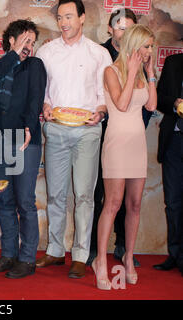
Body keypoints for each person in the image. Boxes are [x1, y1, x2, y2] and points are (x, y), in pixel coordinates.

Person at [35, 0, 112, 279]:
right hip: (55, 129)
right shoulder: (46, 52)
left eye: (69, 16)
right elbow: (40, 89)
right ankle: (55, 250)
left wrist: (101, 110)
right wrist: (44, 105)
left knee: (84, 195)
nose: (63, 22)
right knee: (55, 194)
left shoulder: (99, 53)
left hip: (88, 132)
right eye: (59, 18)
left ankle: (80, 255)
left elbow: (105, 93)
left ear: (82, 18)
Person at [92, 24, 157, 290]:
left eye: (152, 47)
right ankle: (101, 262)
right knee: (113, 203)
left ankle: (128, 258)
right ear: (133, 46)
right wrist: (131, 73)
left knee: (135, 205)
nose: (149, 51)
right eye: (146, 46)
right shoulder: (110, 71)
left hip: (137, 144)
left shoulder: (143, 72)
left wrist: (150, 74)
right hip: (117, 143)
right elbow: (120, 104)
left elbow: (151, 106)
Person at [0, 19, 46, 279]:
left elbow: (35, 99)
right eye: (25, 40)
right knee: (3, 199)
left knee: (25, 201)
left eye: (32, 42)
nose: (29, 46)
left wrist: (30, 127)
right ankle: (8, 255)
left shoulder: (35, 66)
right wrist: (13, 55)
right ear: (11, 40)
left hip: (24, 141)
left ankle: (27, 258)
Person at [88, 8, 145, 268]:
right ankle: (93, 251)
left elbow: (148, 104)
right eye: (120, 27)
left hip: (133, 136)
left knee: (130, 201)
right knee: (104, 196)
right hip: (104, 132)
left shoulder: (140, 58)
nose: (124, 32)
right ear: (110, 28)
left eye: (129, 28)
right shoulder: (100, 55)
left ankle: (124, 248)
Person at [153, 52, 182, 276]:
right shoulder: (173, 63)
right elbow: (159, 98)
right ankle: (175, 255)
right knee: (172, 202)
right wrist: (174, 103)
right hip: (173, 142)